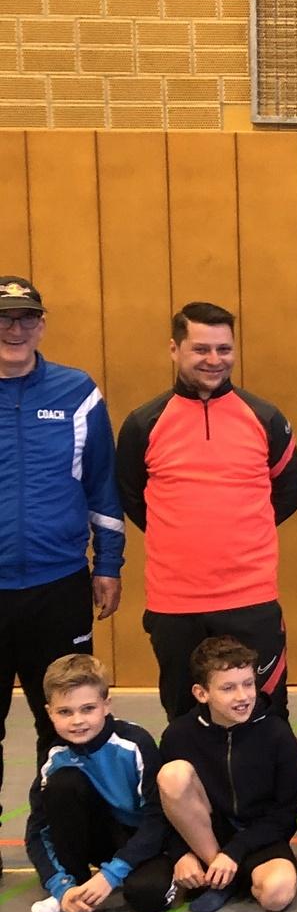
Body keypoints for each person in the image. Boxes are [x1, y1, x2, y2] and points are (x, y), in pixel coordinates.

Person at [117, 303, 297, 720]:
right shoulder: (143, 423)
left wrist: (238, 535)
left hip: (251, 598)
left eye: (224, 349)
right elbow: (133, 499)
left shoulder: (266, 418)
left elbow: (286, 497)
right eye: (201, 349)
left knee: (264, 717)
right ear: (175, 349)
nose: (214, 360)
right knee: (185, 720)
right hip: (175, 603)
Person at [0, 276, 123, 865]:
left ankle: (65, 847)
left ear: (42, 324)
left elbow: (103, 485)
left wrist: (110, 563)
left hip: (59, 587)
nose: (15, 329)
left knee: (66, 726)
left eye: (26, 318)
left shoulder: (78, 393)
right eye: (4, 318)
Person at [152, 636, 297, 912]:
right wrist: (180, 853)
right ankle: (221, 877)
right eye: (228, 688)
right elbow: (160, 806)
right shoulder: (178, 735)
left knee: (278, 894)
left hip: (259, 836)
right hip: (205, 837)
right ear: (201, 693)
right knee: (173, 774)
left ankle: (222, 878)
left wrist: (235, 851)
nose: (243, 696)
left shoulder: (276, 733)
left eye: (248, 684)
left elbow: (287, 811)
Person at [24, 654, 170, 912]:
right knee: (63, 784)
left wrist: (111, 874)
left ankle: (114, 878)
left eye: (88, 709)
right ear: (49, 713)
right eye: (65, 712)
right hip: (99, 836)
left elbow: (157, 818)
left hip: (142, 841)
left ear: (106, 705)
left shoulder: (135, 743)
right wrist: (60, 887)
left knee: (148, 896)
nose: (77, 721)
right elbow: (38, 831)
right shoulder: (54, 755)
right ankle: (76, 886)